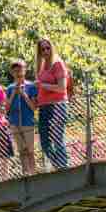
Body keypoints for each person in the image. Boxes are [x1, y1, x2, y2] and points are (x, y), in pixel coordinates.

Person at [35, 37, 70, 170]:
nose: (45, 51)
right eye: (42, 49)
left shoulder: (58, 64)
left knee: (57, 138)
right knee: (44, 142)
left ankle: (63, 167)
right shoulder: (42, 66)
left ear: (52, 48)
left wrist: (43, 85)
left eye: (47, 48)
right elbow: (40, 87)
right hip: (44, 107)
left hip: (57, 105)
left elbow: (62, 87)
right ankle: (59, 166)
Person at [5, 59, 41, 176]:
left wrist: (23, 94)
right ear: (12, 72)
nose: (18, 73)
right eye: (15, 71)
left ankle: (33, 173)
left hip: (27, 121)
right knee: (21, 151)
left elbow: (34, 107)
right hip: (14, 122)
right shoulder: (10, 88)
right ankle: (25, 173)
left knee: (30, 150)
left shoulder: (31, 86)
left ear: (25, 70)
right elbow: (7, 108)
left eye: (20, 70)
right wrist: (15, 93)